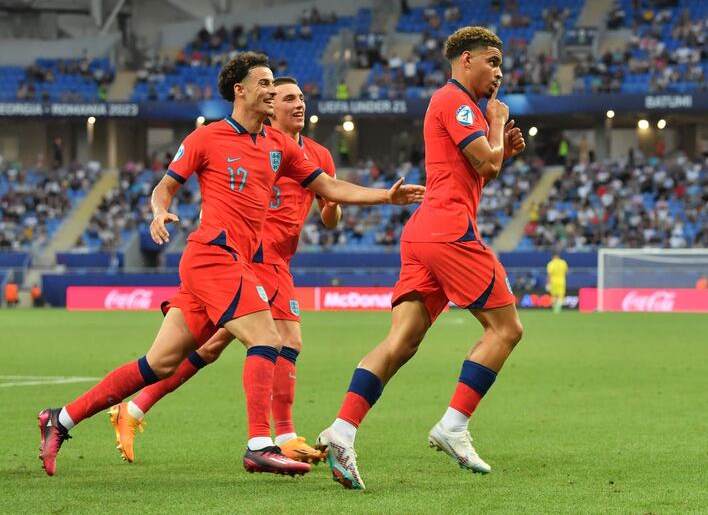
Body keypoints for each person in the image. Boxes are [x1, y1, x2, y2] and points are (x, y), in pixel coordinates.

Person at [37, 52, 424, 477]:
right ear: (240, 90)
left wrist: (386, 197)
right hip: (212, 255)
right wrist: (159, 211)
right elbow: (165, 187)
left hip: (231, 262)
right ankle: (260, 443)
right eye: (265, 84)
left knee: (158, 363)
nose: (272, 91)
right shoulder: (207, 138)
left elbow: (328, 186)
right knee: (268, 337)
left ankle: (61, 418)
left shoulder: (279, 146)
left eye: (275, 85)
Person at [315, 26, 526, 490]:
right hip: (449, 232)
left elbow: (476, 174)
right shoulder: (457, 102)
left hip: (425, 232)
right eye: (492, 61)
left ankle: (342, 430)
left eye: (501, 65)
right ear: (466, 59)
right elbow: (485, 166)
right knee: (507, 328)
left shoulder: (452, 105)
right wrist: (495, 124)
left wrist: (499, 150)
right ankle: (453, 426)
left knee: (401, 342)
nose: (499, 72)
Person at [107, 76, 342, 465]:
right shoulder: (258, 145)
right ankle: (279, 436)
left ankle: (135, 409)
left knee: (213, 346)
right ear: (270, 106)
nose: (298, 104)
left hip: (280, 260)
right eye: (286, 98)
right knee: (282, 341)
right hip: (251, 257)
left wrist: (331, 208)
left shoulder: (316, 154)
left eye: (301, 97)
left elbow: (330, 213)